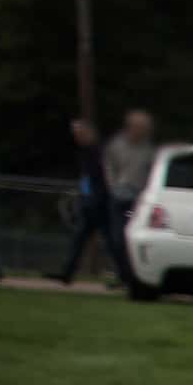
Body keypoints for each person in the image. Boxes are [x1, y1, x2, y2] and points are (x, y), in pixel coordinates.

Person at [50, 116, 118, 285]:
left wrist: (97, 197)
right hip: (91, 201)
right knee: (82, 238)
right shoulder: (86, 151)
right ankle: (67, 273)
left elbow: (103, 179)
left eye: (80, 132)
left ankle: (124, 274)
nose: (77, 136)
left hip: (100, 202)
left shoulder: (97, 151)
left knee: (109, 241)